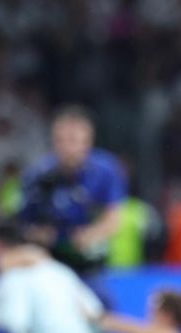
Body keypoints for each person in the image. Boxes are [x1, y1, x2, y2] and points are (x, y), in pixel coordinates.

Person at [19, 106, 126, 273]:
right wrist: (40, 235)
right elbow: (22, 225)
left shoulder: (106, 170)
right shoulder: (38, 173)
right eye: (60, 140)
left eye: (73, 140)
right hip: (48, 261)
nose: (67, 148)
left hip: (91, 262)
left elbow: (114, 219)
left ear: (88, 141)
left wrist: (91, 234)